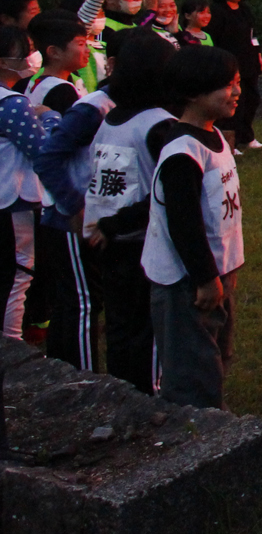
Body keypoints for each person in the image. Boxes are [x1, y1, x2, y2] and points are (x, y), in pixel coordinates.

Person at [144, 46, 244, 409]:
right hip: (186, 282)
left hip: (217, 272)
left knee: (213, 351)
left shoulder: (213, 136)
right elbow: (182, 222)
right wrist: (204, 277)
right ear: (191, 93)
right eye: (226, 86)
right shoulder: (183, 152)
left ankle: (212, 419)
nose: (236, 92)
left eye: (236, 83)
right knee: (191, 365)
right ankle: (192, 434)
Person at [79, 34, 180, 391]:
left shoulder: (113, 118)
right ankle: (146, 393)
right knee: (145, 324)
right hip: (138, 241)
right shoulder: (160, 125)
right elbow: (165, 191)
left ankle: (123, 388)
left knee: (122, 324)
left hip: (107, 237)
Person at [24, 14, 106, 372]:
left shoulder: (41, 84)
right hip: (62, 205)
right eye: (79, 43)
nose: (86, 48)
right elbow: (57, 150)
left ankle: (60, 363)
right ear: (54, 51)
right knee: (81, 299)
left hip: (50, 201)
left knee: (67, 298)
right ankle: (81, 375)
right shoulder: (60, 92)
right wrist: (75, 205)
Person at [0, 25, 51, 342]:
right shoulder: (13, 104)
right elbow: (43, 150)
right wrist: (48, 117)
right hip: (15, 201)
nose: (33, 56)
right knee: (19, 274)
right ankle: (11, 343)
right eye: (26, 50)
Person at [206, 0, 262, 150]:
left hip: (249, 62)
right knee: (234, 101)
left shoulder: (245, 10)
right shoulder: (216, 11)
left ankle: (247, 136)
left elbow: (253, 35)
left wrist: (259, 56)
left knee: (252, 99)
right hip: (229, 62)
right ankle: (231, 139)